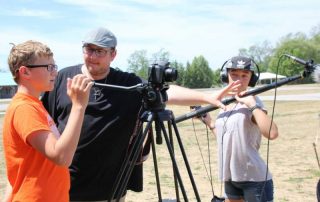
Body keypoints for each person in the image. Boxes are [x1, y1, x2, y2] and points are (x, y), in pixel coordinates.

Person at [41, 27, 240, 201]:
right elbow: (45, 123)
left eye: (99, 51)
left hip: (110, 187)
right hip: (64, 185)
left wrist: (206, 97)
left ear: (113, 54)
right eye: (88, 49)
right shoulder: (61, 78)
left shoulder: (127, 82)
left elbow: (164, 92)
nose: (92, 56)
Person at [2, 40, 93, 202]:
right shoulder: (24, 108)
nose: (55, 73)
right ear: (25, 72)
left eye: (54, 67)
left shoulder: (34, 104)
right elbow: (62, 157)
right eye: (49, 67)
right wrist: (78, 106)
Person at [198, 56, 279, 202]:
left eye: (244, 75)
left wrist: (252, 105)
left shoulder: (253, 102)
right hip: (231, 177)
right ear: (225, 76)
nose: (238, 80)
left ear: (251, 79)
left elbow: (272, 133)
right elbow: (227, 137)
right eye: (234, 74)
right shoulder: (224, 103)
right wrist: (210, 123)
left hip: (254, 180)